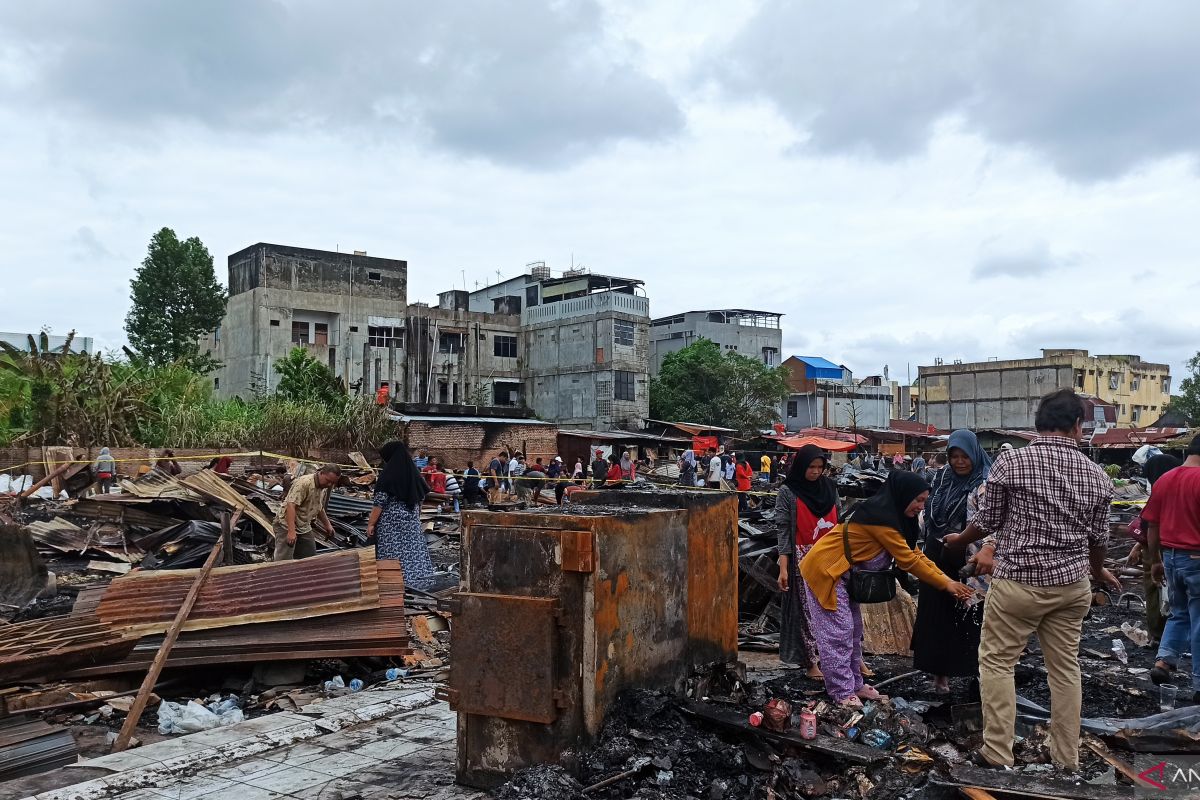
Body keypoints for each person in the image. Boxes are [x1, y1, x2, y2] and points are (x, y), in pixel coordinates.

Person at [944, 389, 1121, 771]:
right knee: (1064, 669)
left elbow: (988, 521)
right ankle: (1067, 758)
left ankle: (997, 751)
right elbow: (1099, 540)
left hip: (1018, 584)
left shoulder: (1011, 463)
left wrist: (960, 540)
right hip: (1072, 587)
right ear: (1077, 425)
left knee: (996, 662)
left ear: (1037, 423)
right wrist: (1097, 571)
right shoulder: (1098, 475)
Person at [801, 471, 973, 706]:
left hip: (845, 575)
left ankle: (855, 684)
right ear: (903, 496)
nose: (922, 507)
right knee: (838, 634)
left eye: (925, 501)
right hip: (827, 572)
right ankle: (841, 692)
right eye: (919, 500)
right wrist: (947, 584)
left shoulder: (894, 518)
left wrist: (947, 580)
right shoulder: (882, 521)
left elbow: (914, 553)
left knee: (853, 631)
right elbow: (909, 562)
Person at [911, 430, 993, 694]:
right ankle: (940, 677)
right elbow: (928, 510)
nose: (959, 462)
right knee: (938, 616)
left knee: (972, 615)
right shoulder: (942, 477)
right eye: (954, 456)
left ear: (975, 455)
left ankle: (979, 676)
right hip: (937, 553)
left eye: (964, 456)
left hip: (971, 556)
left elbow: (992, 521)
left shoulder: (985, 482)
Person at [1143, 437, 1200, 702]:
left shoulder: (1165, 480)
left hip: (1171, 557)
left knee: (1179, 613)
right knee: (1198, 619)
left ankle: (1163, 662)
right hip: (1196, 557)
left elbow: (1152, 525)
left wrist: (1155, 560)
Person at [775, 445, 840, 679]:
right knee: (806, 612)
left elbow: (839, 523)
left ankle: (835, 658)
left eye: (820, 467)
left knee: (833, 609)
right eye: (811, 467)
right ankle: (811, 662)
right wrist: (783, 567)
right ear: (801, 466)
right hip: (802, 559)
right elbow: (783, 530)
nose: (815, 472)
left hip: (831, 559)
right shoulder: (788, 492)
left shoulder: (830, 489)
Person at [1127, 454, 1181, 645]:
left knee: (1156, 592)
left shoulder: (1160, 492)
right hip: (1176, 549)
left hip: (1158, 550)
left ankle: (1159, 636)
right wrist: (1137, 547)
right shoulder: (1178, 491)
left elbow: (1150, 525)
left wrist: (1146, 551)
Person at [366, 442, 436, 590]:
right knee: (413, 553)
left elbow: (380, 502)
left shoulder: (388, 475)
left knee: (392, 554)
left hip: (390, 525)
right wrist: (415, 516)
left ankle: (393, 583)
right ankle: (418, 582)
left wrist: (371, 523)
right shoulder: (414, 473)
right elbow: (421, 497)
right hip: (411, 523)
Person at [273, 464, 341, 561]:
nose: (329, 484)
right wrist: (291, 532)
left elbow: (318, 506)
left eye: (332, 483)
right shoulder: (304, 483)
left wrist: (327, 525)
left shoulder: (323, 487)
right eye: (328, 481)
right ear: (321, 473)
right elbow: (291, 505)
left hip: (304, 525)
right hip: (286, 525)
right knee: (284, 560)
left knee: (310, 556)